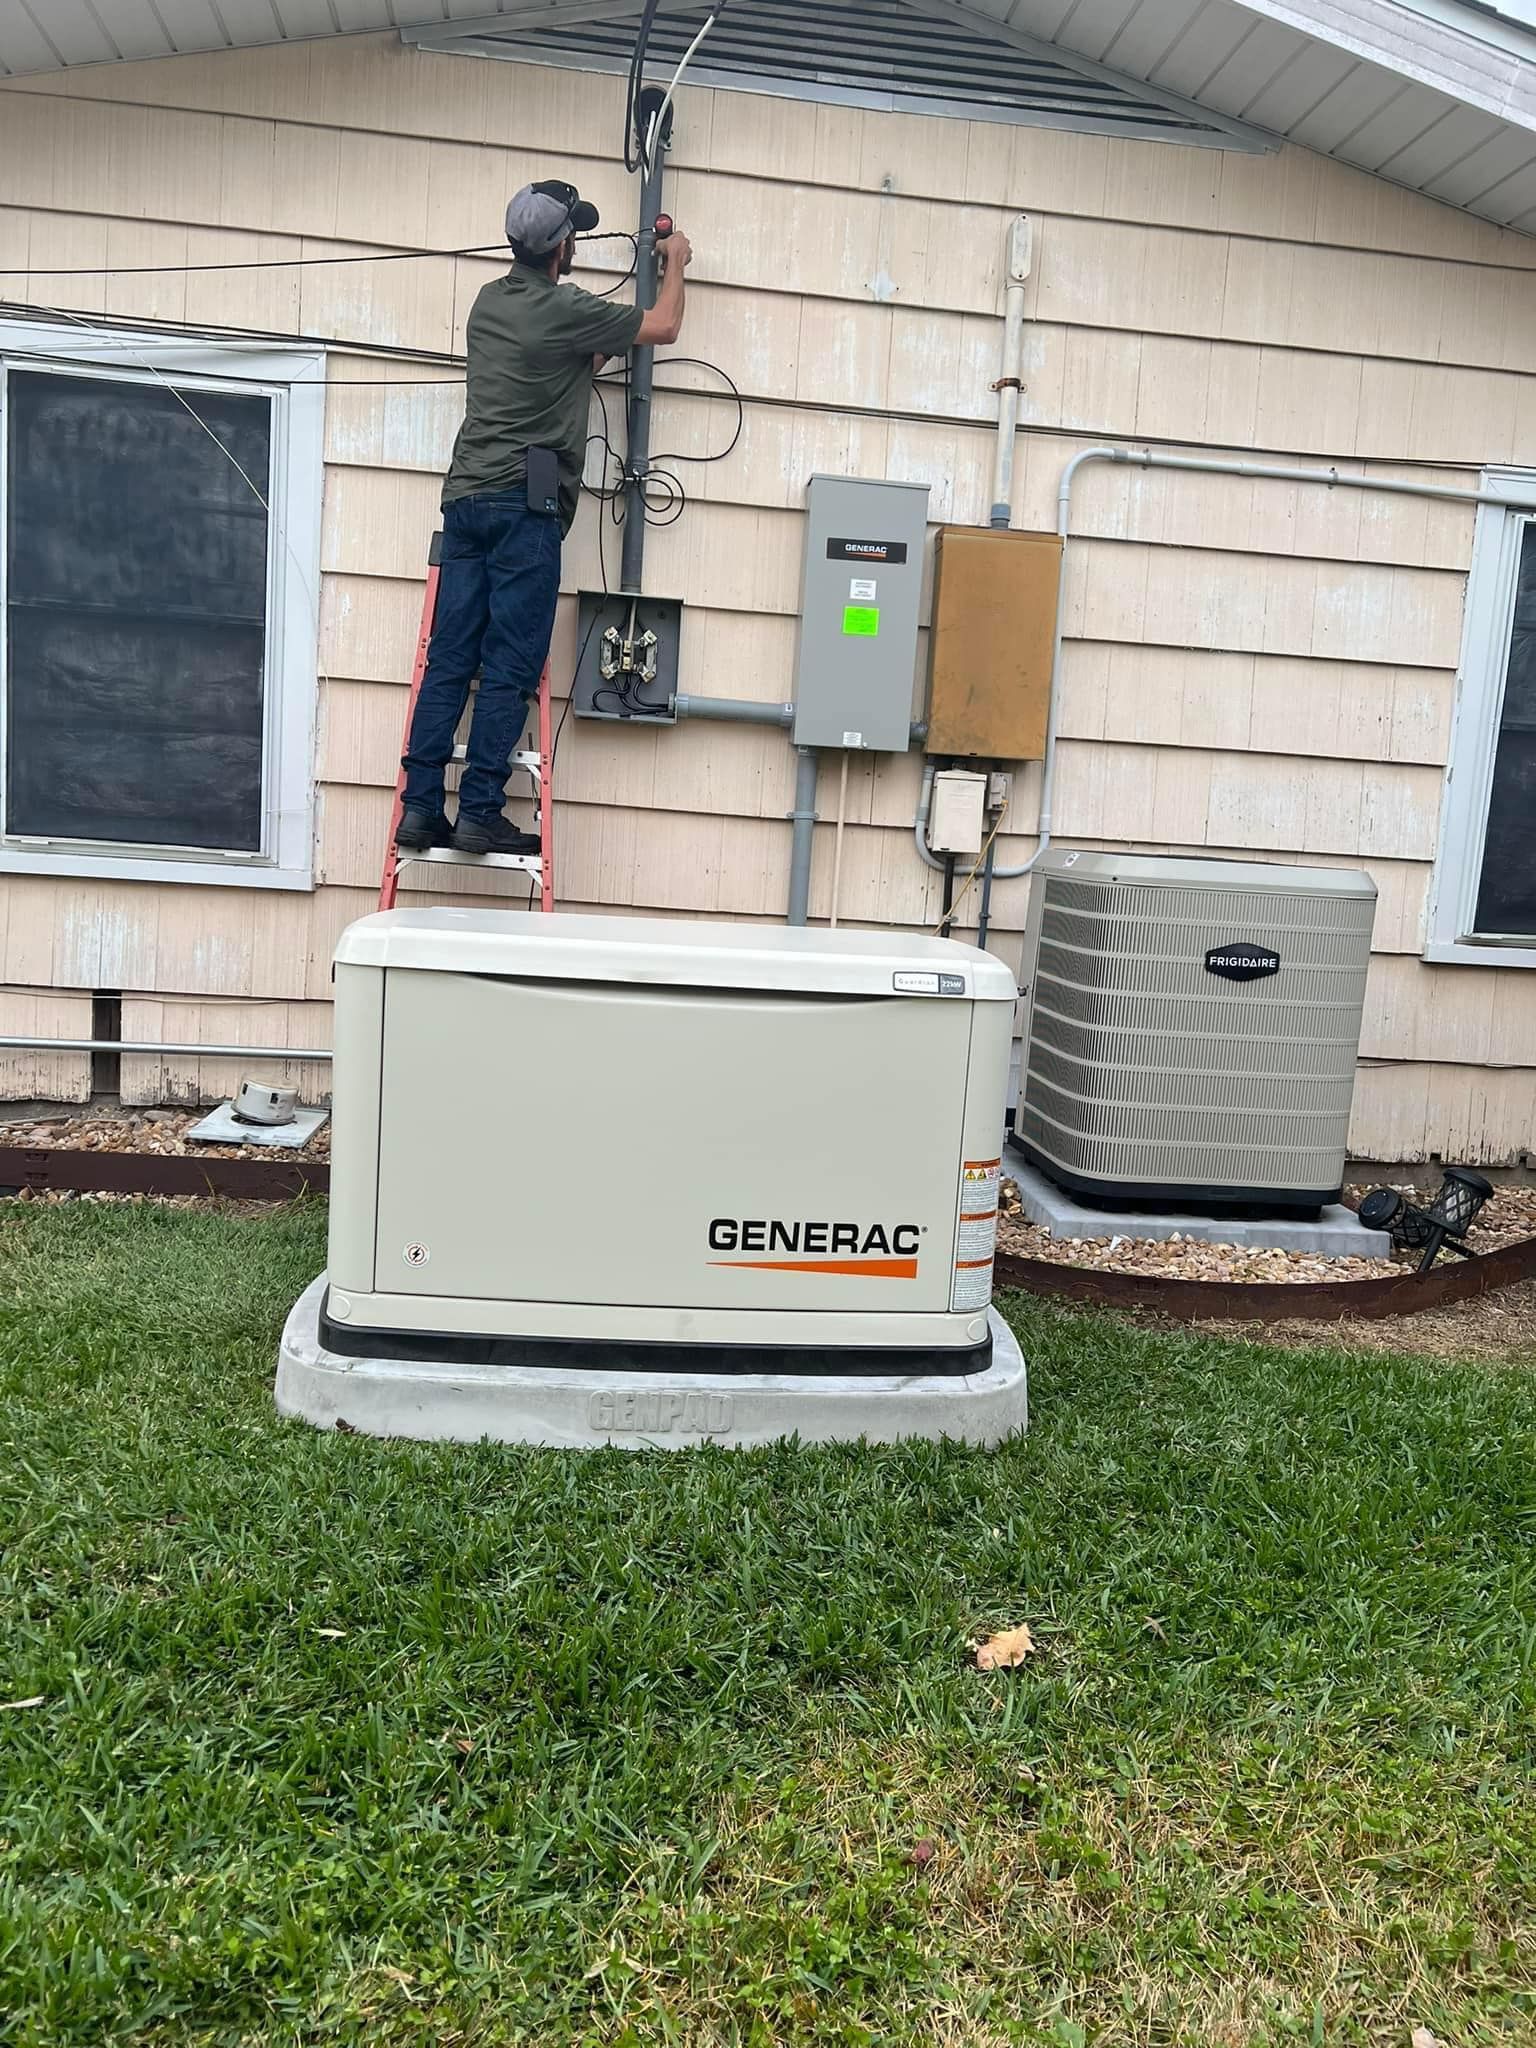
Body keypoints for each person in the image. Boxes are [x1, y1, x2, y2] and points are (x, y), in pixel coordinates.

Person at [396, 179, 692, 855]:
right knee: (508, 663)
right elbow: (664, 327)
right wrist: (675, 260)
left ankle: (419, 808)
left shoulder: (488, 304)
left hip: (465, 496)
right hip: (522, 509)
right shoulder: (565, 308)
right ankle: (479, 811)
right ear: (562, 246)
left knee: (449, 660)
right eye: (574, 235)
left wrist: (595, 343)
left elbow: (567, 357)